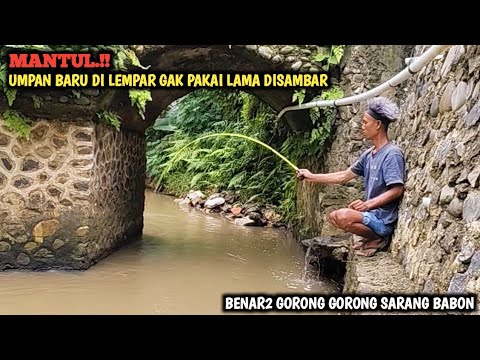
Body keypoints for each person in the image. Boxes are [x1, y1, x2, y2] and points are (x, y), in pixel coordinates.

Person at [296, 96, 406, 257]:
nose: (362, 127)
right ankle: (371, 237)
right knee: (333, 217)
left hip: (383, 220)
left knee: (342, 216)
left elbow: (397, 190)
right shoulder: (368, 155)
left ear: (377, 125)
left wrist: (367, 205)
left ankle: (378, 238)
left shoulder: (392, 154)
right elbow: (343, 176)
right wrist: (311, 176)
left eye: (364, 122)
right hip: (371, 216)